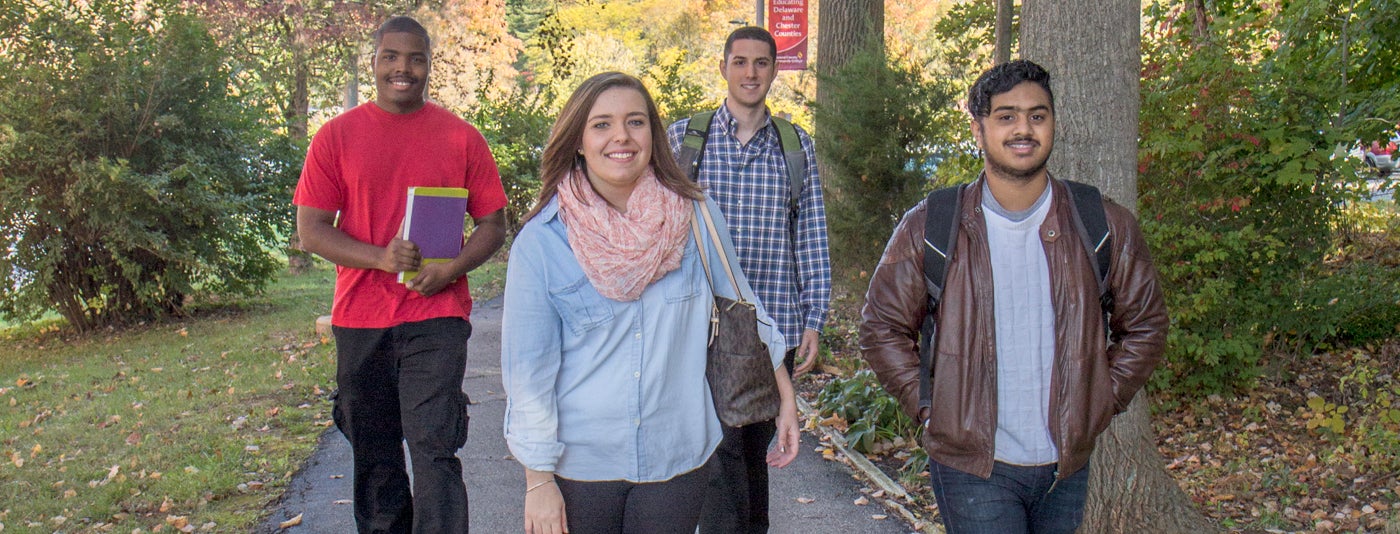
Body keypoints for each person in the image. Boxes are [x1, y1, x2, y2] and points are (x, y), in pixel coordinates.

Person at [858, 59, 1168, 533]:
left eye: (1037, 115)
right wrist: (928, 404)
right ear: (979, 129)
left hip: (1066, 465)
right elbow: (881, 327)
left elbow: (1145, 325)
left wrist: (1102, 397)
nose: (1024, 128)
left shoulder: (1101, 223)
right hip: (971, 466)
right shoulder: (933, 225)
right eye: (1006, 116)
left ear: (1053, 124)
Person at [501, 71, 799, 534]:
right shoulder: (543, 242)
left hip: (677, 457)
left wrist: (784, 397)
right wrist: (538, 481)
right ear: (578, 140)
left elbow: (745, 305)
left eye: (635, 122)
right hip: (581, 464)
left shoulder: (695, 215)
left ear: (653, 136)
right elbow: (528, 374)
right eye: (601, 124)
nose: (621, 136)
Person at [292, 15, 507, 534]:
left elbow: (493, 224)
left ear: (429, 65)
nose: (402, 69)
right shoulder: (336, 137)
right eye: (391, 57)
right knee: (376, 459)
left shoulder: (461, 138)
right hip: (361, 320)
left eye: (415, 58)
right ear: (375, 62)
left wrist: (453, 267)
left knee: (435, 452)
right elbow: (313, 231)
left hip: (436, 317)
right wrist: (379, 258)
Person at [665, 26, 831, 533]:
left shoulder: (794, 144)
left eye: (761, 63)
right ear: (723, 67)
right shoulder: (683, 138)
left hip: (770, 326)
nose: (750, 72)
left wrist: (814, 318)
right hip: (700, 324)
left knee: (750, 453)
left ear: (774, 71)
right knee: (719, 453)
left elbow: (812, 233)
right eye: (740, 62)